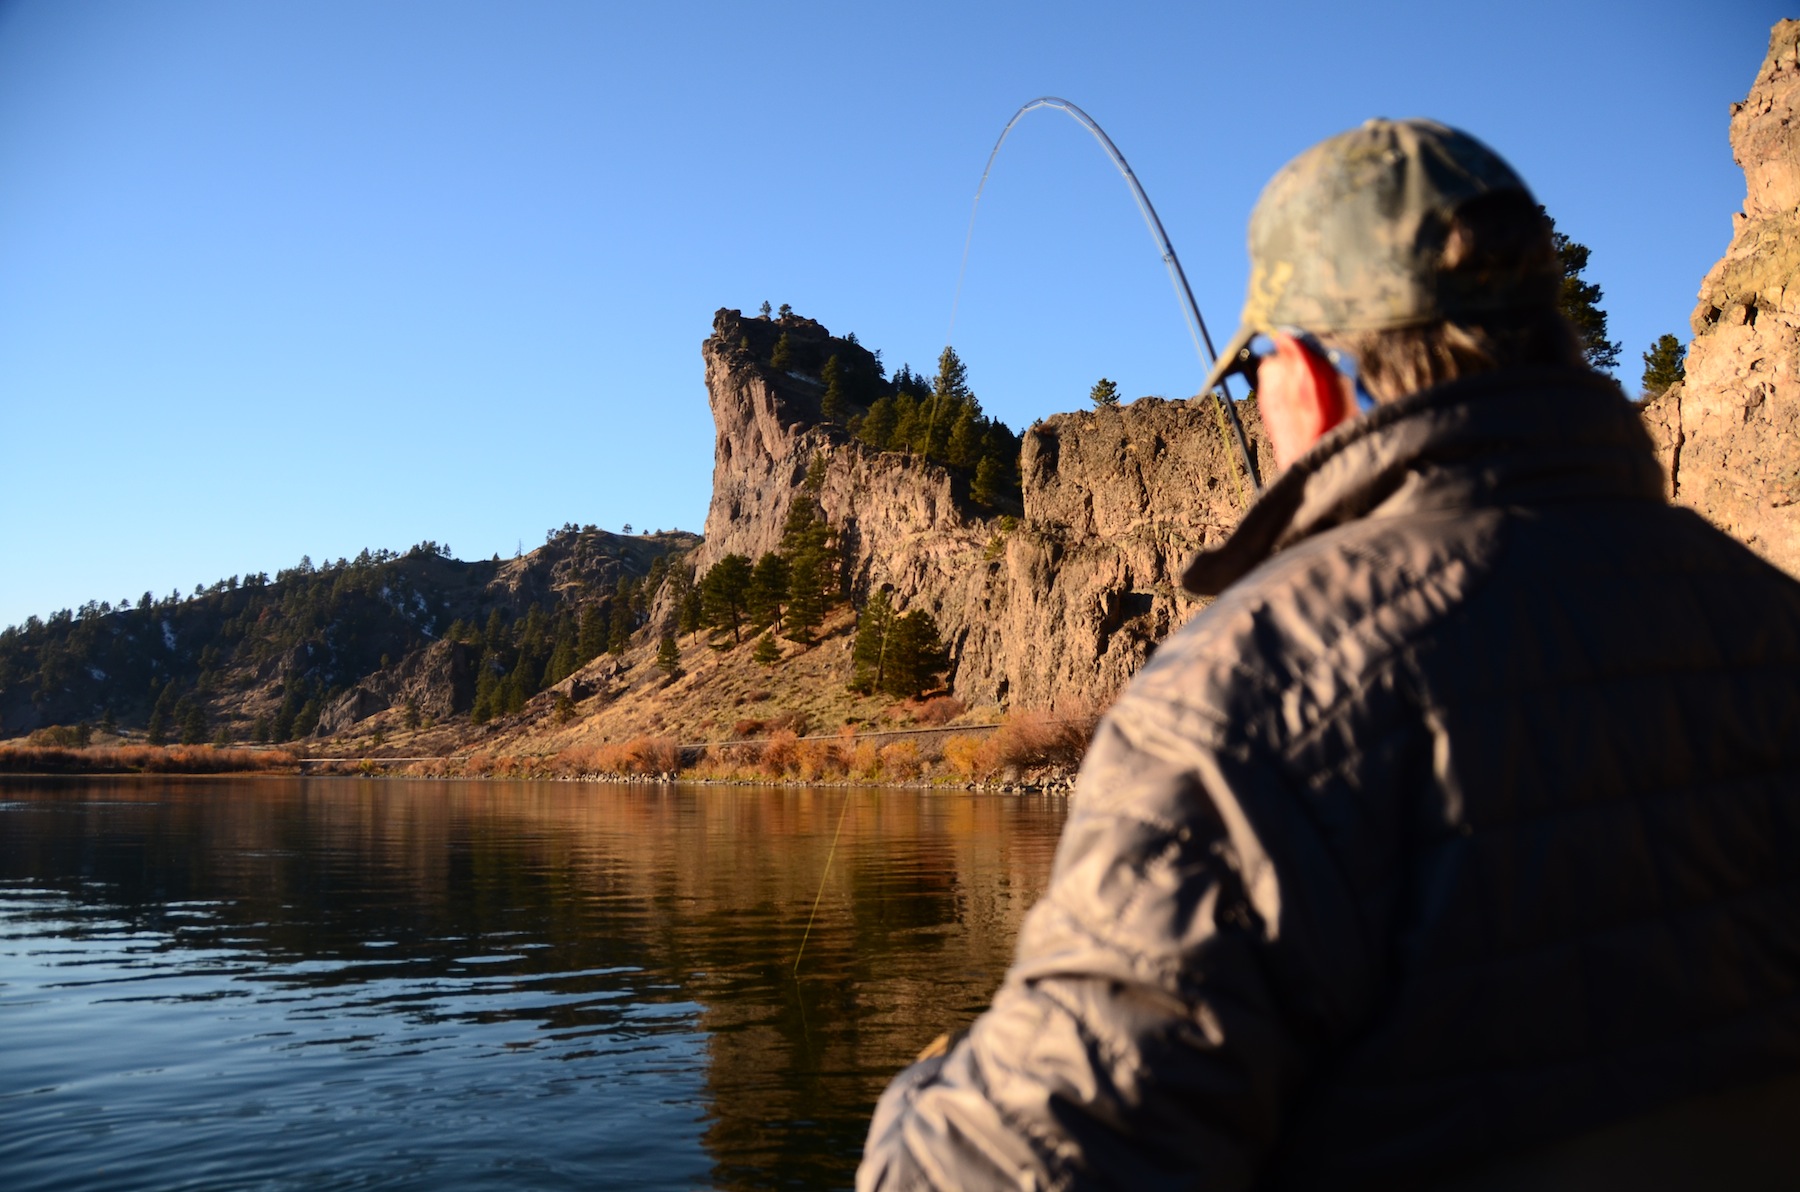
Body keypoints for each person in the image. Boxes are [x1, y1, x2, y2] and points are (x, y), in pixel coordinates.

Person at [857, 119, 1800, 1190]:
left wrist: (922, 1105)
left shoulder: (1243, 694)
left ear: (1303, 371)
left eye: (1256, 371)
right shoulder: (1774, 618)